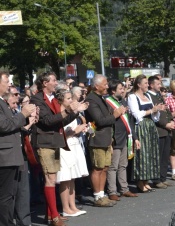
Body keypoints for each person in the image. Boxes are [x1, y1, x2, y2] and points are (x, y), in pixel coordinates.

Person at [31, 72, 86, 226]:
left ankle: (51, 214)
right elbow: (48, 121)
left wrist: (75, 111)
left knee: (52, 179)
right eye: (54, 80)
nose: (56, 83)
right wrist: (69, 111)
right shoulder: (37, 99)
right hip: (44, 142)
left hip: (54, 141)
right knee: (50, 179)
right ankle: (54, 216)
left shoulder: (53, 99)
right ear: (44, 83)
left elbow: (60, 121)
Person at [0, 73, 36, 226]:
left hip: (12, 153)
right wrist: (23, 114)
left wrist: (25, 122)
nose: (10, 84)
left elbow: (12, 125)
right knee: (5, 196)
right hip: (4, 156)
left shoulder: (2, 102)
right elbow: (4, 125)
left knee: (11, 195)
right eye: (7, 81)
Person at [85, 74, 125, 207]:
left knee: (105, 168)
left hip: (106, 138)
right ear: (97, 86)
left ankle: (102, 194)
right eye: (105, 84)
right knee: (98, 168)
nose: (107, 86)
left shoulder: (100, 98)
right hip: (97, 139)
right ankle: (97, 196)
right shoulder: (91, 99)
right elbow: (100, 120)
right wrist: (115, 114)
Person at [55, 89, 89, 216]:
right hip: (65, 146)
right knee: (65, 178)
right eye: (68, 98)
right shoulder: (59, 113)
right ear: (61, 100)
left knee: (72, 178)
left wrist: (81, 129)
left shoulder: (72, 113)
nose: (71, 100)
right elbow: (60, 133)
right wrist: (75, 131)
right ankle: (65, 208)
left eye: (71, 98)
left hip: (74, 144)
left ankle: (72, 205)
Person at [128, 75, 164, 191]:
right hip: (141, 127)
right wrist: (151, 110)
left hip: (150, 126)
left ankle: (146, 180)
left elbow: (155, 117)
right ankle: (140, 181)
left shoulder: (147, 95)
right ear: (138, 84)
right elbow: (136, 114)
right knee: (142, 154)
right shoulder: (132, 97)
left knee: (151, 153)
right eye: (145, 83)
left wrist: (156, 110)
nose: (147, 85)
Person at [106, 79, 139, 199]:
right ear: (113, 90)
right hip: (115, 137)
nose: (123, 90)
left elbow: (129, 122)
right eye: (120, 88)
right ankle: (112, 191)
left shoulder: (123, 101)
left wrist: (135, 137)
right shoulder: (108, 102)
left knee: (123, 165)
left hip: (125, 137)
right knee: (113, 166)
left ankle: (124, 188)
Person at [148, 75, 175, 187]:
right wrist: (165, 124)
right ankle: (156, 179)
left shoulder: (159, 95)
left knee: (165, 156)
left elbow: (166, 110)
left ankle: (163, 178)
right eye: (158, 84)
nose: (160, 86)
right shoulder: (149, 96)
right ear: (151, 85)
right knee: (157, 156)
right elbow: (155, 115)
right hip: (159, 129)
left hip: (167, 130)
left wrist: (172, 120)